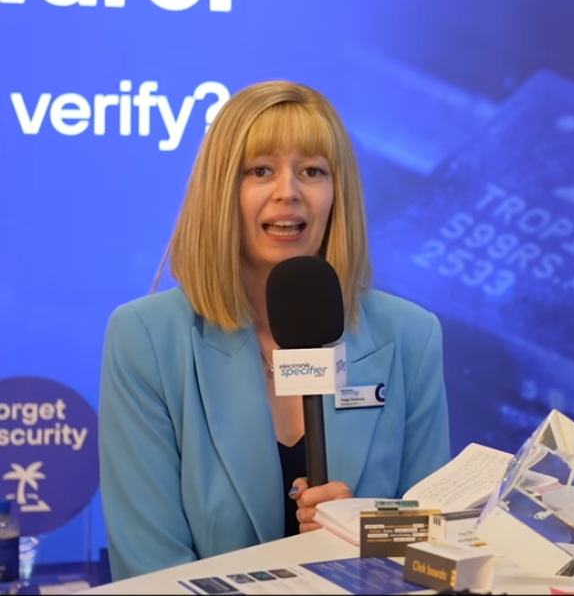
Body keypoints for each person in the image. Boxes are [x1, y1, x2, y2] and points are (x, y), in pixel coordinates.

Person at [99, 81, 450, 581]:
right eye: (260, 171)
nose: (289, 192)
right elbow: (151, 571)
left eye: (312, 171)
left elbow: (433, 549)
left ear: (338, 194)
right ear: (221, 191)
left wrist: (364, 539)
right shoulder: (146, 338)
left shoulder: (411, 336)